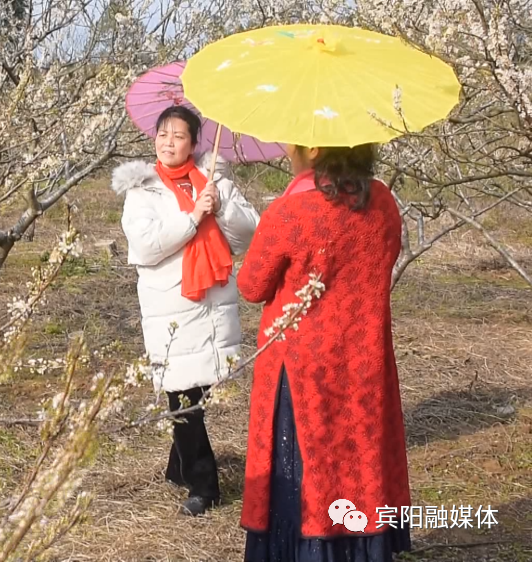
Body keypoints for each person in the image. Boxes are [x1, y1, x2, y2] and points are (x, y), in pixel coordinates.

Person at [237, 144, 412, 561]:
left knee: (305, 471)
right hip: (364, 360)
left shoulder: (291, 212)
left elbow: (251, 286)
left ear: (312, 149)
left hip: (302, 367)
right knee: (359, 460)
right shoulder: (382, 201)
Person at [112, 105, 260, 516]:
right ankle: (203, 484)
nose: (168, 142)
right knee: (182, 397)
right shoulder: (143, 189)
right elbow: (146, 244)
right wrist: (193, 217)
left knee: (199, 389)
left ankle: (179, 466)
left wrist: (220, 204)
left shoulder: (213, 181)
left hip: (212, 304)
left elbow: (250, 231)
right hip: (171, 307)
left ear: (195, 144)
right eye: (163, 134)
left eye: (178, 136)